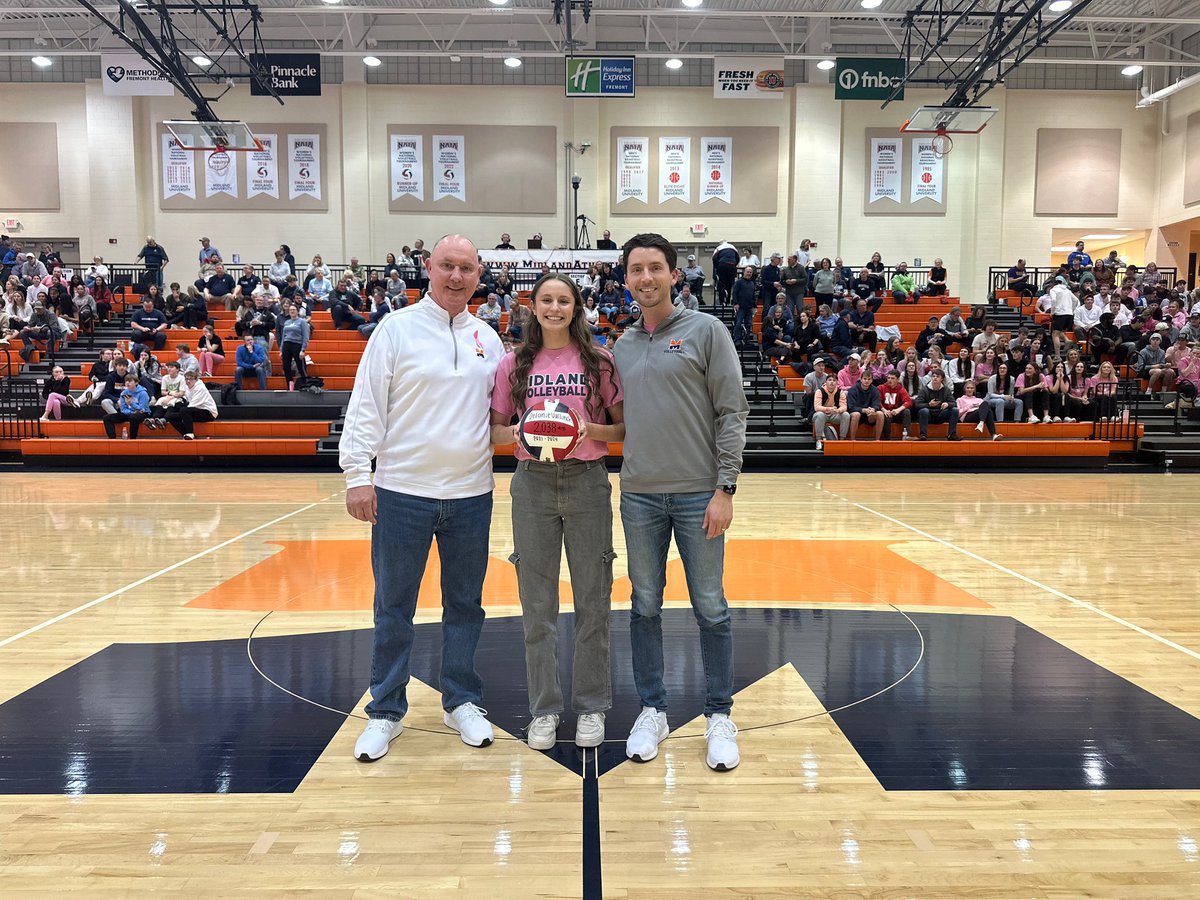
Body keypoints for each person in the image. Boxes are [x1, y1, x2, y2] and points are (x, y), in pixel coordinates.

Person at [341, 234, 506, 763]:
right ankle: (386, 710)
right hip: (401, 493)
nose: (457, 276)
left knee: (465, 605)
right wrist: (357, 475)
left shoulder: (488, 339)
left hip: (471, 495)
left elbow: (499, 417)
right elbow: (366, 404)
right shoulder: (396, 329)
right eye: (447, 266)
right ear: (429, 268)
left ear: (478, 275)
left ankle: (461, 700)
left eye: (467, 268)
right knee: (394, 607)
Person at [612, 232, 748, 772]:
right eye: (636, 269)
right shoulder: (622, 346)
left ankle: (719, 715)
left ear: (674, 274)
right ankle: (653, 710)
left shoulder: (707, 330)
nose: (645, 278)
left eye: (654, 268)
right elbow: (619, 422)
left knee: (710, 606)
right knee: (644, 604)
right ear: (626, 279)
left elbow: (732, 411)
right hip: (639, 495)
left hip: (698, 495)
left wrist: (725, 488)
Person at [488, 274, 624, 751]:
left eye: (564, 300)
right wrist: (522, 431)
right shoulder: (513, 363)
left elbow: (622, 428)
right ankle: (544, 709)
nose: (554, 307)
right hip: (533, 484)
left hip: (587, 481)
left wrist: (586, 429)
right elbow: (495, 432)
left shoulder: (599, 361)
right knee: (537, 605)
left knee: (593, 600)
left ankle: (590, 706)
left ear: (576, 307)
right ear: (533, 306)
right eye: (546, 299)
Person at [165, 370, 219, 440]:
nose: (188, 381)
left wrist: (181, 413)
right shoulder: (187, 387)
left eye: (191, 379)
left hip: (209, 413)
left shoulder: (200, 388)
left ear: (196, 380)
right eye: (186, 379)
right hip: (195, 410)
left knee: (184, 410)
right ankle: (186, 434)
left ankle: (189, 433)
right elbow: (186, 399)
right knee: (171, 417)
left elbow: (193, 404)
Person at [916, 369, 961, 440]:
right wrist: (929, 404)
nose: (935, 378)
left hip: (941, 414)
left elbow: (954, 403)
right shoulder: (924, 390)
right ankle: (923, 435)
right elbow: (917, 404)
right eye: (933, 376)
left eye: (937, 376)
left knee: (954, 410)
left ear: (942, 379)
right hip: (928, 415)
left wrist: (947, 404)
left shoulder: (946, 390)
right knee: (924, 411)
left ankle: (952, 434)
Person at [103, 373, 150, 439]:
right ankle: (112, 438)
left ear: (136, 382)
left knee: (134, 417)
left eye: (130, 381)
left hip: (143, 413)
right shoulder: (124, 393)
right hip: (129, 413)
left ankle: (133, 438)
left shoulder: (143, 393)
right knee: (107, 418)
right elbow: (123, 409)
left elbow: (142, 409)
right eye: (126, 381)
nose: (127, 383)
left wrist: (131, 404)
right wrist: (131, 412)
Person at [812, 373, 849, 450]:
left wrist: (838, 410)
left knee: (846, 415)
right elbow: (817, 407)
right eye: (829, 380)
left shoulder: (840, 392)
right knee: (820, 415)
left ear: (837, 382)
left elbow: (844, 406)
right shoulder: (820, 391)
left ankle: (842, 440)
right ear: (826, 382)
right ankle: (819, 440)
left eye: (834, 380)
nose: (832, 382)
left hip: (834, 414)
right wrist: (828, 409)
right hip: (822, 414)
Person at [847, 369, 884, 441]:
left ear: (872, 380)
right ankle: (852, 440)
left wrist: (873, 409)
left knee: (880, 414)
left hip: (869, 415)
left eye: (869, 379)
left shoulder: (875, 390)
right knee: (856, 415)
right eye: (865, 379)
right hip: (856, 413)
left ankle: (877, 440)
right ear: (861, 379)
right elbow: (851, 407)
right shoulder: (853, 389)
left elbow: (877, 404)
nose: (866, 381)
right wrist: (862, 410)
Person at [878, 369, 914, 440]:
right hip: (886, 412)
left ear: (898, 379)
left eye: (892, 378)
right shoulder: (881, 388)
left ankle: (906, 435)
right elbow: (877, 401)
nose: (889, 380)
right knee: (885, 416)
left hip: (896, 413)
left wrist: (898, 410)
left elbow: (908, 401)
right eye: (888, 378)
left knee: (906, 412)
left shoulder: (901, 389)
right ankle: (887, 439)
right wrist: (884, 410)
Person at [731, 266, 758, 348]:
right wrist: (735, 303)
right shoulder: (739, 282)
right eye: (747, 272)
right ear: (744, 272)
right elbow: (734, 293)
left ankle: (747, 340)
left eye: (750, 272)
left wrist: (755, 306)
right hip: (740, 307)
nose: (749, 273)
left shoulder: (752, 283)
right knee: (738, 324)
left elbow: (753, 295)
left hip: (749, 308)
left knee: (749, 325)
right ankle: (737, 340)